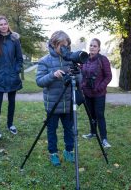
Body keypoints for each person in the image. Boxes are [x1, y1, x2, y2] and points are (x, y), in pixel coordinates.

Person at [36, 30, 75, 166]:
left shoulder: (70, 59)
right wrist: (53, 75)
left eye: (67, 45)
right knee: (51, 129)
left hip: (68, 102)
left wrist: (76, 72)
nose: (65, 48)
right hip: (52, 104)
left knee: (69, 129)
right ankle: (53, 153)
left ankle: (69, 150)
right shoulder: (44, 61)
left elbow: (79, 79)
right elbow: (39, 81)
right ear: (54, 44)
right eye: (62, 46)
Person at [0, 16, 23, 141]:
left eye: (5, 24)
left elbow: (19, 58)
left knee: (12, 102)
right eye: (0, 24)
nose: (3, 26)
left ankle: (10, 124)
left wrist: (16, 70)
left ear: (8, 25)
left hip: (12, 76)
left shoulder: (14, 39)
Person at [81, 38, 112, 148]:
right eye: (91, 45)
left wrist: (100, 87)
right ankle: (93, 133)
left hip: (99, 94)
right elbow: (82, 75)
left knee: (100, 115)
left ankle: (104, 139)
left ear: (99, 48)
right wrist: (82, 85)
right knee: (91, 115)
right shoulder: (85, 59)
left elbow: (108, 77)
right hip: (87, 93)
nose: (92, 47)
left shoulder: (103, 59)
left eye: (94, 46)